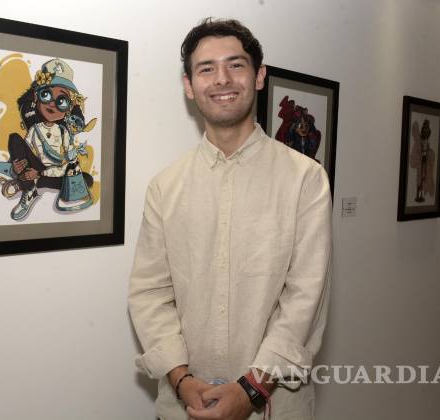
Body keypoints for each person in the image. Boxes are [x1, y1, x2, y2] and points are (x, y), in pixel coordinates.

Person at [128, 18, 332, 420]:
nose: (222, 79)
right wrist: (182, 381)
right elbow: (149, 293)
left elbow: (305, 298)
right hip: (185, 404)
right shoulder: (165, 187)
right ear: (189, 85)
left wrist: (250, 390)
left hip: (273, 407)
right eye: (206, 69)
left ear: (259, 76)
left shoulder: (305, 180)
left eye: (235, 65)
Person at [0, 58, 95, 221]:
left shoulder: (64, 129)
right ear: (36, 95)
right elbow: (25, 146)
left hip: (51, 169)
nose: (52, 104)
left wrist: (39, 173)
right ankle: (27, 185)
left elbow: (70, 162)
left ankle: (26, 181)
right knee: (15, 139)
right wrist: (18, 162)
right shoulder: (32, 119)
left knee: (85, 179)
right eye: (46, 94)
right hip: (34, 161)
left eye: (61, 101)